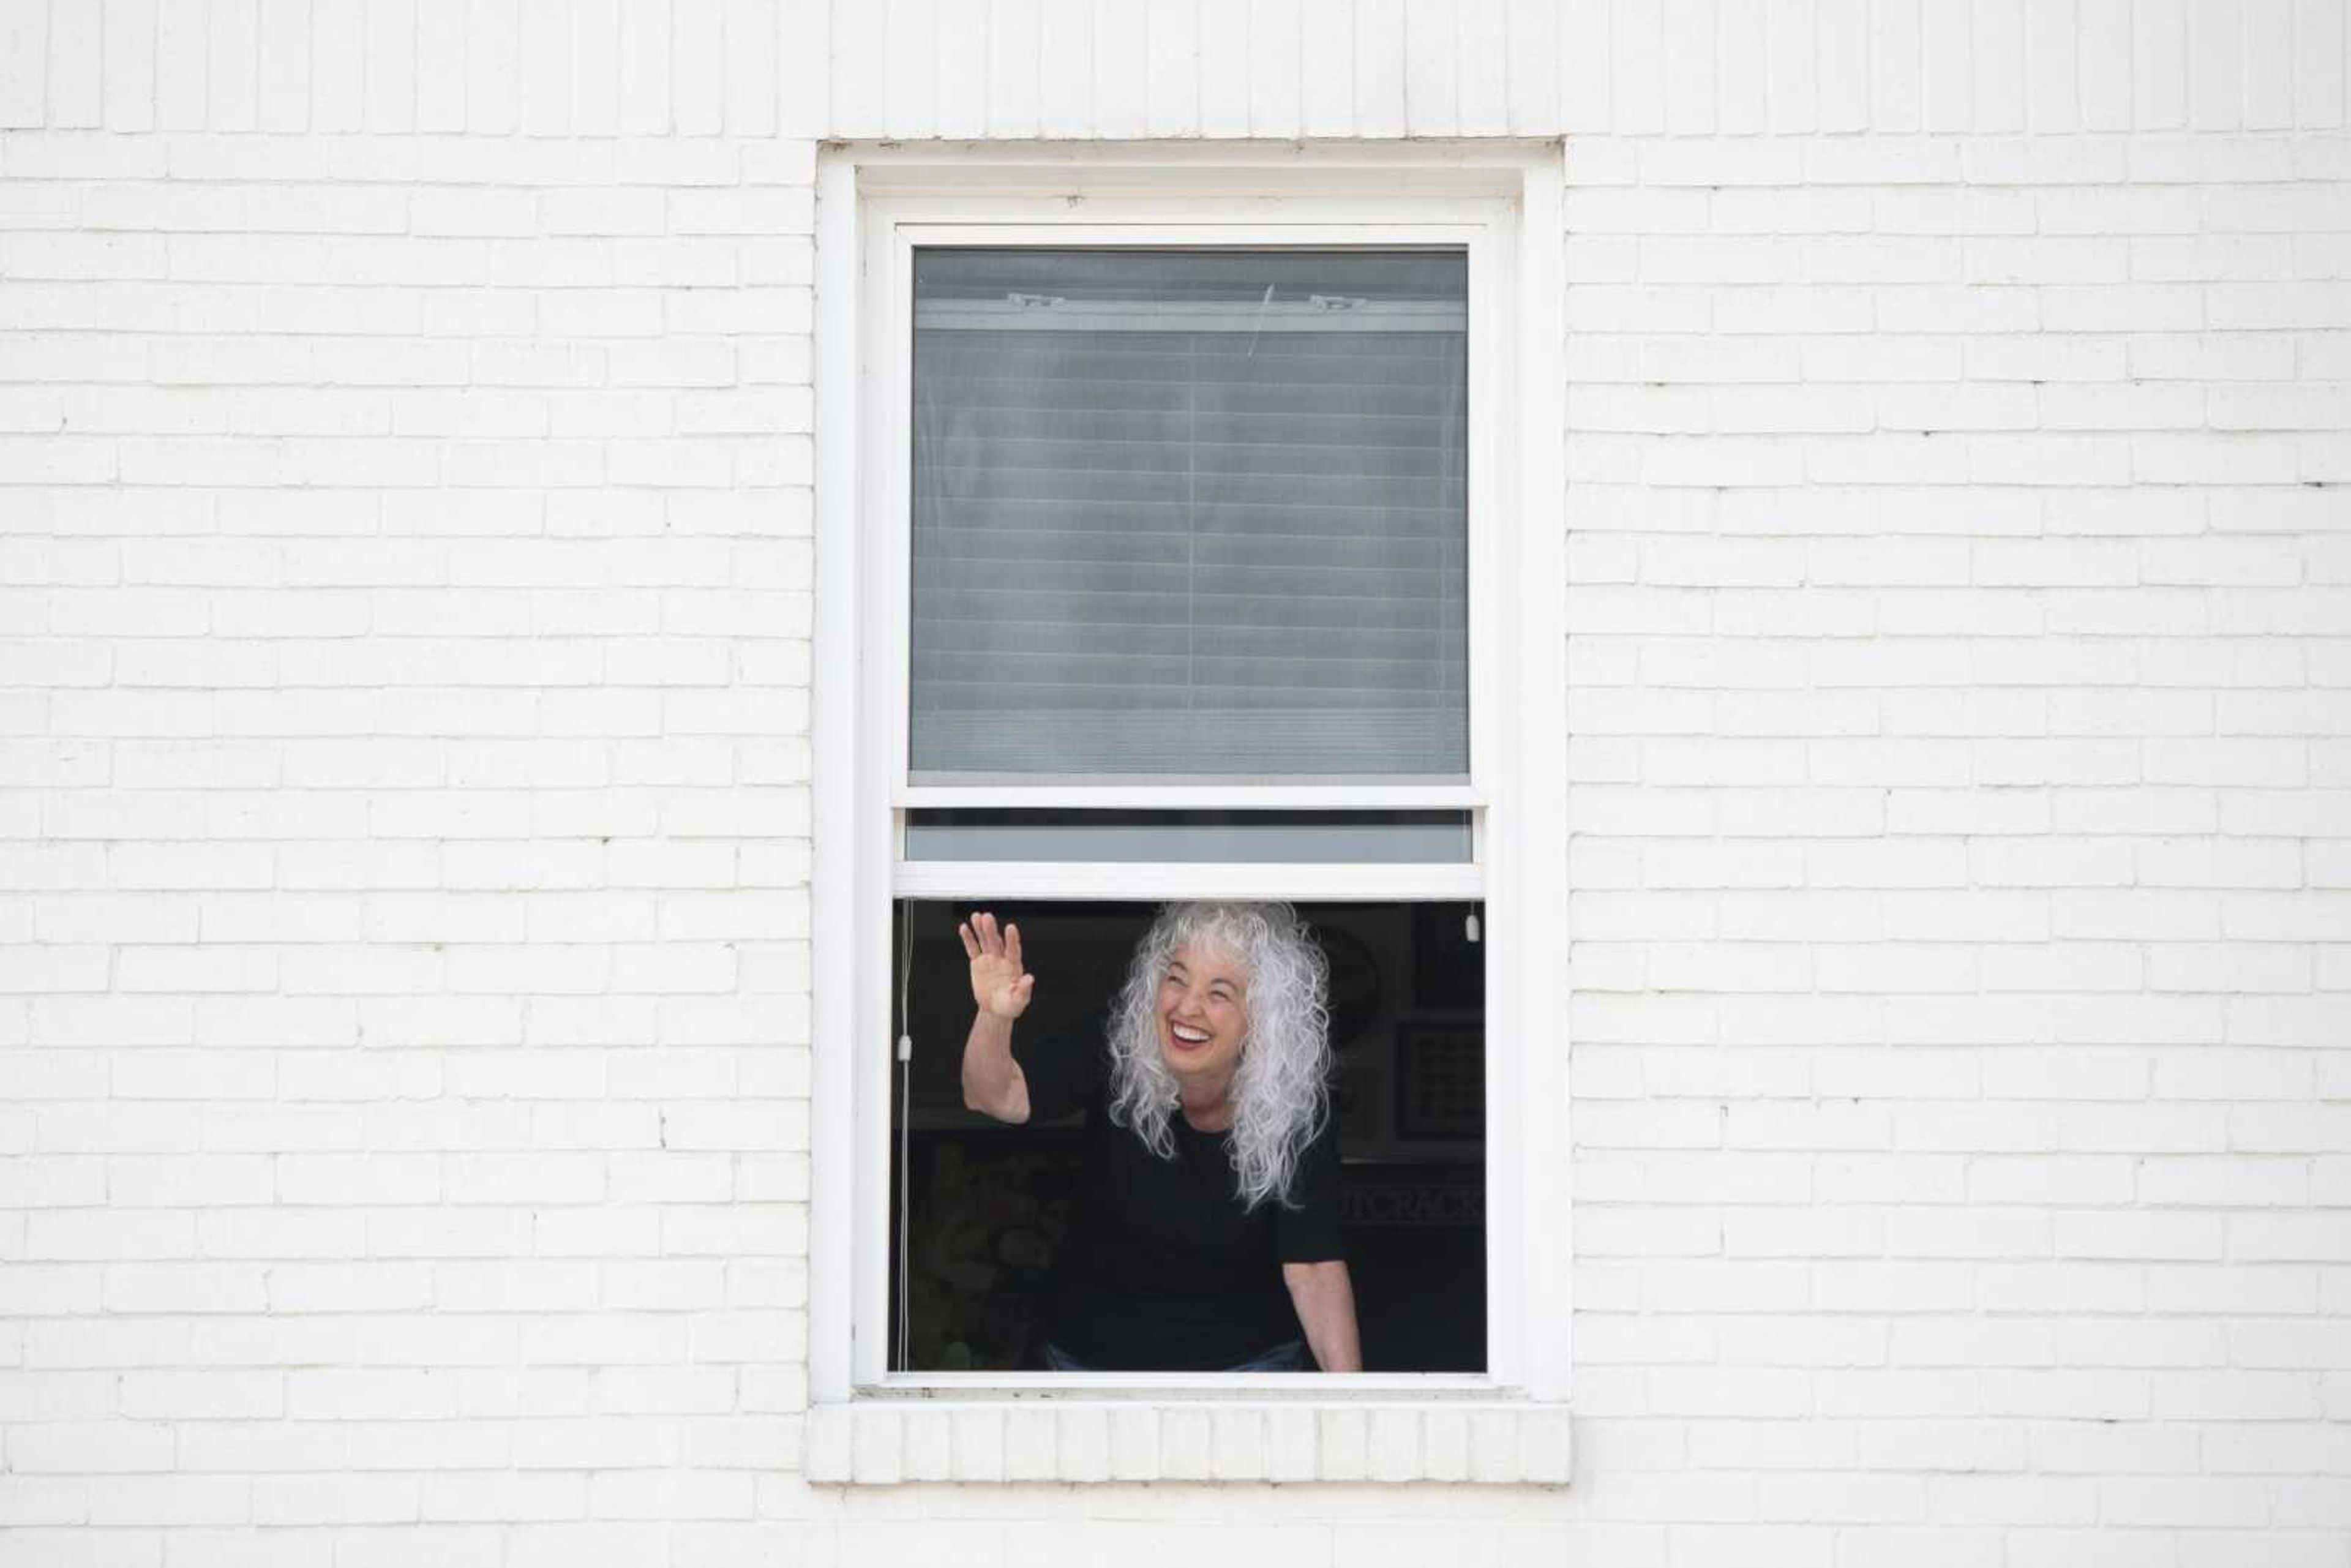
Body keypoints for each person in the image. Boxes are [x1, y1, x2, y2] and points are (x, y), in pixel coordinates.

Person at [957, 902, 1363, 1373]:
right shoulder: (1117, 1043)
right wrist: (993, 1015)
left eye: (1219, 992)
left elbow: (1312, 1267)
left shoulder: (1297, 1106)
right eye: (1176, 978)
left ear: (1263, 1021)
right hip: (1091, 1358)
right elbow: (994, 1096)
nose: (1187, 1007)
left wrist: (1352, 1405)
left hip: (1245, 1365)